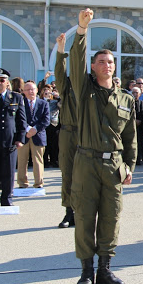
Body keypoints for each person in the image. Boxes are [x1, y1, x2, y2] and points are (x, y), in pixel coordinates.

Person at [69, 8, 136, 284]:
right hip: (86, 162)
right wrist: (82, 31)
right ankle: (86, 271)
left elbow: (131, 136)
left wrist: (129, 166)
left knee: (111, 217)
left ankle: (105, 269)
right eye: (101, 61)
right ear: (93, 66)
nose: (107, 65)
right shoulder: (84, 91)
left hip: (113, 166)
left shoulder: (126, 98)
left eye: (110, 62)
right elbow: (74, 63)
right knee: (84, 216)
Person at [55, 32, 78, 228]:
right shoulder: (67, 87)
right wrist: (61, 50)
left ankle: (83, 212)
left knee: (86, 174)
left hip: (87, 132)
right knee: (67, 173)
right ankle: (69, 212)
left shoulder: (90, 86)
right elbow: (60, 74)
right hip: (68, 133)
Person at [0, 68, 26, 206]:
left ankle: (7, 200)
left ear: (7, 82)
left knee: (8, 173)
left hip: (10, 142)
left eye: (2, 80)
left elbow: (21, 120)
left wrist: (20, 139)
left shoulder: (16, 97)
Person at [17, 81, 50, 188]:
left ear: (37, 90)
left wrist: (35, 129)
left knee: (38, 160)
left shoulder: (43, 103)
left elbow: (46, 120)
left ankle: (38, 183)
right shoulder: (20, 103)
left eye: (33, 89)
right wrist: (27, 129)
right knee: (22, 160)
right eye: (28, 90)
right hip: (24, 135)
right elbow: (18, 118)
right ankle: (22, 183)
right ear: (24, 92)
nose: (31, 91)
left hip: (39, 135)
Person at [42, 86, 60, 168]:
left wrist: (56, 96)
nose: (48, 95)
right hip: (45, 125)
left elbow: (62, 102)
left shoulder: (55, 102)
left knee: (54, 144)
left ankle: (54, 160)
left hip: (54, 124)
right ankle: (45, 161)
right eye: (46, 93)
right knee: (46, 145)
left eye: (49, 93)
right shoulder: (41, 102)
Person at [131, 87, 143, 166]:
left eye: (136, 93)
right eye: (133, 92)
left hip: (141, 126)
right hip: (131, 126)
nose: (135, 94)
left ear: (140, 94)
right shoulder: (129, 103)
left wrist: (140, 121)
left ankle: (139, 159)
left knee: (140, 143)